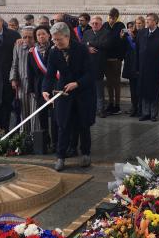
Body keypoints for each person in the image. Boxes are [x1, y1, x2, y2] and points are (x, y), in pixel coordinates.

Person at [42, 22, 95, 170]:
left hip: (82, 93)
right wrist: (45, 90)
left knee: (83, 125)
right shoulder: (53, 51)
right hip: (63, 94)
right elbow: (49, 75)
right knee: (63, 125)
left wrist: (77, 83)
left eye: (59, 39)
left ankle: (85, 153)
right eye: (54, 39)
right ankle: (60, 157)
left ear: (67, 36)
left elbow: (91, 74)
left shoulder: (82, 49)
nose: (56, 42)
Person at [27, 25, 57, 151]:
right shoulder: (32, 52)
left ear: (49, 35)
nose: (41, 36)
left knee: (55, 117)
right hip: (39, 87)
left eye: (43, 34)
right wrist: (32, 89)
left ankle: (56, 142)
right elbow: (30, 72)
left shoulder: (55, 49)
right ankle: (45, 142)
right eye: (38, 35)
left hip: (54, 86)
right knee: (42, 117)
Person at [136, 13, 159, 122]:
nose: (147, 22)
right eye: (146, 20)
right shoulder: (142, 33)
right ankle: (145, 113)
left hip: (156, 69)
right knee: (144, 91)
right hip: (143, 69)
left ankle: (153, 114)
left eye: (149, 20)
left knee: (154, 92)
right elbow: (137, 51)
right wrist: (137, 67)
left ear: (155, 21)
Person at [10, 26, 36, 132]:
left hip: (35, 84)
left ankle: (36, 138)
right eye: (24, 37)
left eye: (30, 37)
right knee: (23, 113)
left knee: (35, 113)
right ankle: (24, 137)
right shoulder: (18, 46)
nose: (27, 40)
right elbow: (14, 64)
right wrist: (13, 78)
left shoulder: (40, 47)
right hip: (22, 83)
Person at [82, 16, 109, 118]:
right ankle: (90, 109)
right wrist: (88, 48)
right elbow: (82, 44)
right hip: (87, 65)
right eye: (93, 23)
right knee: (88, 89)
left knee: (99, 89)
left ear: (101, 24)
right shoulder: (87, 33)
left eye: (96, 23)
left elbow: (104, 44)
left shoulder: (106, 33)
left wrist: (90, 43)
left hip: (99, 64)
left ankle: (100, 109)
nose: (94, 25)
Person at [102, 8, 126, 115]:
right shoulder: (105, 25)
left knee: (116, 82)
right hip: (106, 58)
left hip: (116, 58)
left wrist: (120, 38)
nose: (111, 20)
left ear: (117, 17)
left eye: (113, 18)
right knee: (109, 82)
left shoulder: (121, 25)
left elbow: (122, 41)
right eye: (110, 17)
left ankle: (117, 105)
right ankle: (110, 103)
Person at [122, 20, 141, 117]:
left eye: (132, 26)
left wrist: (133, 37)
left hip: (138, 65)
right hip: (130, 65)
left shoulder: (138, 36)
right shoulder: (126, 37)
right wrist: (121, 38)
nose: (130, 29)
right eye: (128, 27)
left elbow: (138, 46)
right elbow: (122, 49)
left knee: (138, 88)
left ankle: (139, 107)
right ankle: (134, 107)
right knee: (132, 88)